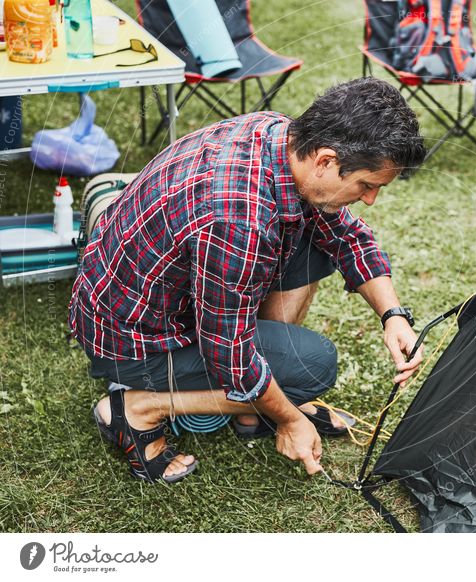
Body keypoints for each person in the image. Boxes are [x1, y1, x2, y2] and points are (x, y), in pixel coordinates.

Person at [69, 77, 428, 483]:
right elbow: (230, 355)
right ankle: (136, 409)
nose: (369, 199)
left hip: (161, 301)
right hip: (135, 342)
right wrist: (291, 418)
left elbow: (347, 236)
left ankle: (258, 403)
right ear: (326, 160)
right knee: (313, 368)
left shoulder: (281, 136)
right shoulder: (238, 217)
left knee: (317, 231)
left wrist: (393, 315)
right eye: (366, 185)